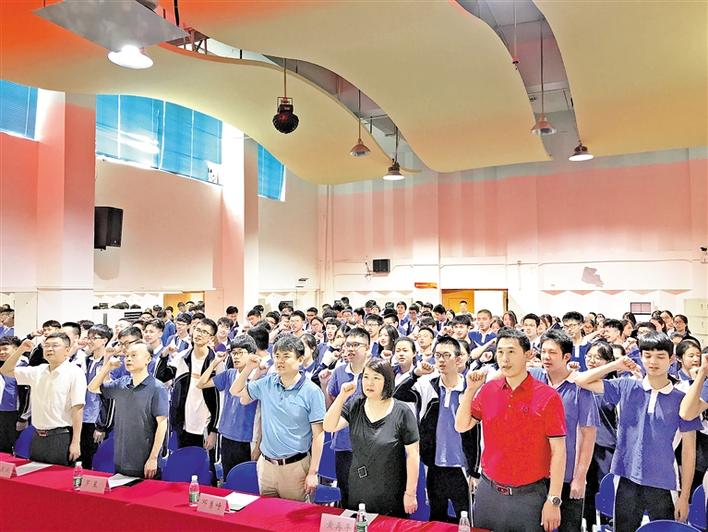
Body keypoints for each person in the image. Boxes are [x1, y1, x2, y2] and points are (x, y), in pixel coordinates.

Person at [575, 331, 700, 530]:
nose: (653, 361)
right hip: (625, 476)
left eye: (660, 356)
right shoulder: (626, 386)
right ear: (640, 357)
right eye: (647, 355)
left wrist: (685, 497)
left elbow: (689, 451)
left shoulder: (682, 399)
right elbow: (581, 380)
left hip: (664, 481)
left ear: (671, 359)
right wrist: (615, 365)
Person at [455, 327, 566, 532]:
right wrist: (470, 390)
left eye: (511, 352)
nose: (504, 359)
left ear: (528, 355)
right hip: (489, 492)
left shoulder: (548, 397)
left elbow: (558, 451)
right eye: (500, 352)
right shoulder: (488, 390)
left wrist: (554, 499)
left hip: (529, 496)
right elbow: (461, 425)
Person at [394, 335, 479, 522]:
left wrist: (475, 471)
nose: (441, 360)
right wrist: (416, 373)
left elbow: (479, 434)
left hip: (462, 468)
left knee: (465, 521)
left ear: (458, 359)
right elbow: (397, 394)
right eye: (437, 355)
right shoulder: (428, 385)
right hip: (434, 466)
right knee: (435, 519)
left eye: (446, 355)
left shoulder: (470, 389)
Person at [230, 335, 325, 502]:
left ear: (300, 359)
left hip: (295, 466)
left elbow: (318, 434)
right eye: (277, 356)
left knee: (293, 516)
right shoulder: (267, 383)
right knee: (267, 513)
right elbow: (235, 391)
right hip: (266, 465)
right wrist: (248, 368)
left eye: (286, 356)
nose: (280, 361)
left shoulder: (312, 391)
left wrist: (313, 472)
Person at [324, 358, 420, 517]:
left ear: (387, 381)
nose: (369, 383)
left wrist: (410, 493)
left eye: (376, 378)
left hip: (391, 490)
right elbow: (329, 426)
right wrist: (342, 396)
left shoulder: (402, 411)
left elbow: (413, 455)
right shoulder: (355, 404)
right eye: (366, 377)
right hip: (358, 487)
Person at [530, 329, 599, 532]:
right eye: (543, 351)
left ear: (567, 356)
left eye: (552, 352)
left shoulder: (580, 388)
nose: (546, 357)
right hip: (535, 475)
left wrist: (580, 476)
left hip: (568, 476)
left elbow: (588, 435)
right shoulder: (534, 379)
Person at [1, 333, 86, 465]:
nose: (49, 349)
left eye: (55, 345)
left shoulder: (74, 372)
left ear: (67, 350)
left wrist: (76, 442)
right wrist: (20, 350)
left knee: (57, 476)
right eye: (46, 345)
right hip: (37, 436)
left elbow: (78, 409)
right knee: (35, 473)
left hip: (60, 436)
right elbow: (5, 370)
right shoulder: (38, 371)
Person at [88, 342, 168, 478]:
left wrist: (153, 458)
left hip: (145, 459)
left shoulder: (157, 387)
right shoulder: (121, 383)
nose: (128, 359)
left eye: (134, 355)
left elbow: (162, 424)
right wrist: (107, 367)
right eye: (127, 356)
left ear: (148, 359)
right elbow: (92, 387)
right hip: (121, 458)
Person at [196, 335, 261, 477]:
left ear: (251, 354)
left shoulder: (258, 378)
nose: (235, 357)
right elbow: (201, 384)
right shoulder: (229, 374)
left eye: (240, 353)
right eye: (233, 353)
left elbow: (262, 416)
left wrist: (258, 445)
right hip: (226, 434)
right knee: (227, 477)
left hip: (247, 438)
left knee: (244, 480)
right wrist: (215, 362)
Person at [158, 319, 221, 456]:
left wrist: (214, 431)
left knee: (204, 465)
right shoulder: (182, 358)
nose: (199, 334)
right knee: (182, 462)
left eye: (204, 332)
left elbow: (220, 400)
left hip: (204, 426)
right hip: (182, 423)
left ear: (211, 338)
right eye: (197, 330)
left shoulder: (216, 363)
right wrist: (164, 355)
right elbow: (161, 377)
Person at [325, 327, 369, 508]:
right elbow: (331, 404)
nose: (350, 349)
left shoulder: (376, 371)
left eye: (356, 345)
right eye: (348, 345)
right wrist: (324, 385)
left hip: (369, 444)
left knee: (368, 495)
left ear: (367, 347)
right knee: (345, 491)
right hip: (343, 442)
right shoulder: (339, 371)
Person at [0, 336, 29, 453]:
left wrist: (23, 417)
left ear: (17, 349)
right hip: (1, 412)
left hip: (15, 413)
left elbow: (27, 395)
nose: (1, 352)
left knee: (16, 447)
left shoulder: (24, 367)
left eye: (5, 349)